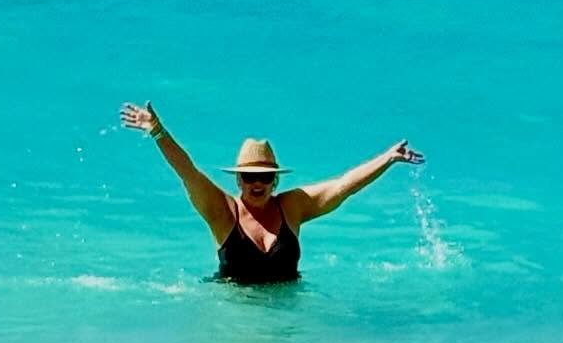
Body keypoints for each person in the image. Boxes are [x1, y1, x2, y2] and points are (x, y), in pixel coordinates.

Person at [119, 103, 424, 285]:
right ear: (239, 179)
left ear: (274, 181)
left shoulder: (292, 207)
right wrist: (157, 131)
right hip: (234, 315)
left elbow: (343, 186)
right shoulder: (222, 212)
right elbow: (188, 171)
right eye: (250, 176)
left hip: (286, 319)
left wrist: (388, 158)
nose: (257, 183)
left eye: (264, 177)